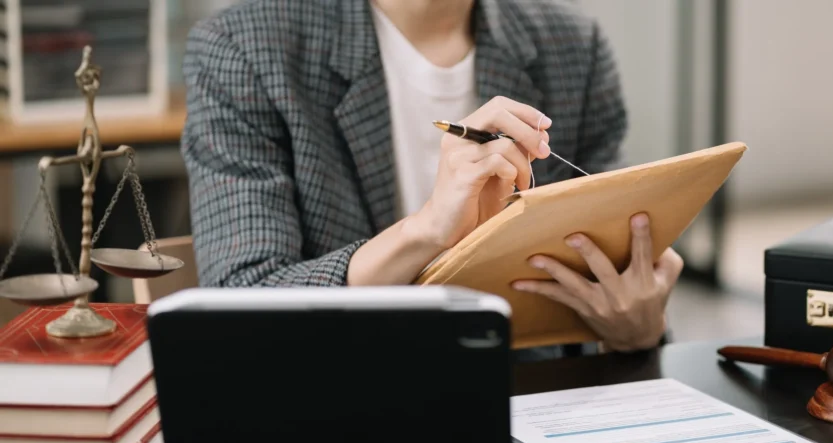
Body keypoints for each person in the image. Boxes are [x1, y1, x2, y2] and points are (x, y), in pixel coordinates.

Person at [180, 0, 684, 359]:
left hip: (526, 402)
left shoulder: (572, 46)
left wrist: (637, 329)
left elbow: (615, 275)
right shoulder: (244, 49)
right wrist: (425, 231)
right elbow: (239, 303)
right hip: (331, 398)